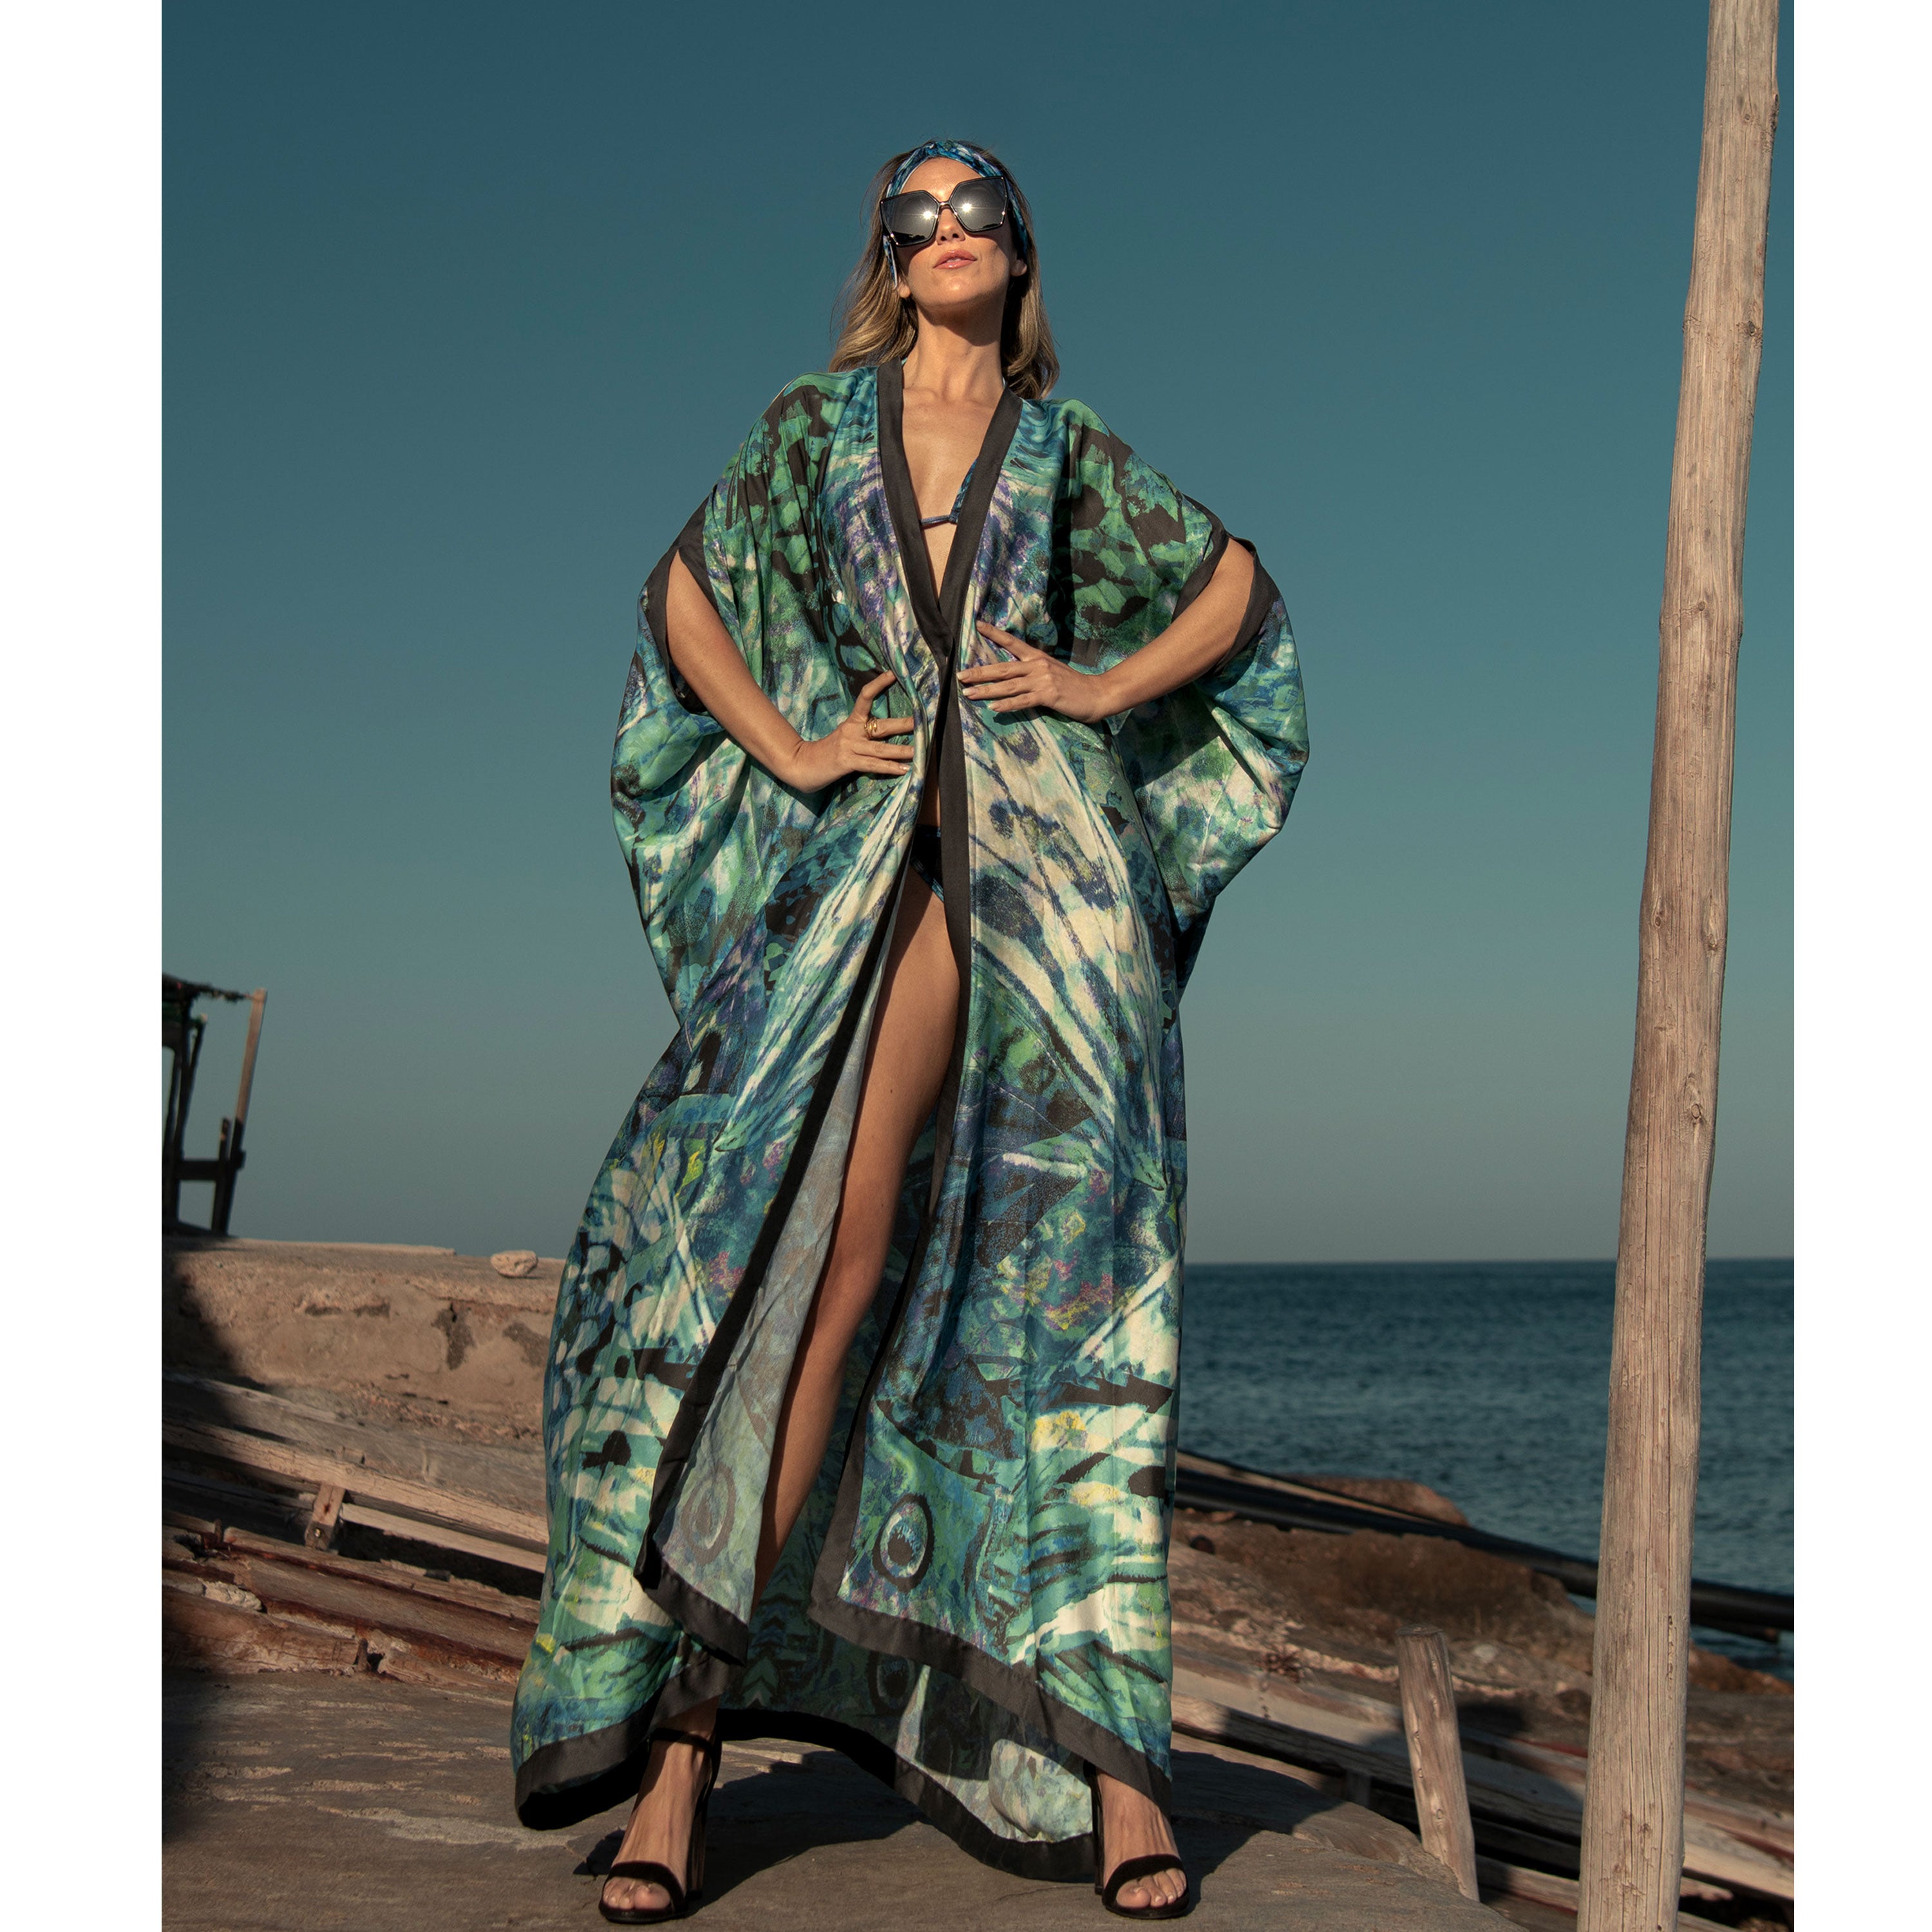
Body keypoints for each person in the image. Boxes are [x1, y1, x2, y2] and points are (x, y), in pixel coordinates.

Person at [510, 138, 1309, 1924]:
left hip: (1058, 905)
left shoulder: (1071, 453)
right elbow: (683, 592)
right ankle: (685, 1744)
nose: (945, 234)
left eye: (974, 212)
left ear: (1020, 253)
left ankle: (1120, 1774)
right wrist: (794, 752)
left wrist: (1098, 687)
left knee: (1085, 1317)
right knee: (818, 1264)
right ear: (890, 256)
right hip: (892, 883)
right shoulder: (815, 431)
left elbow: (1242, 586)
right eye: (913, 217)